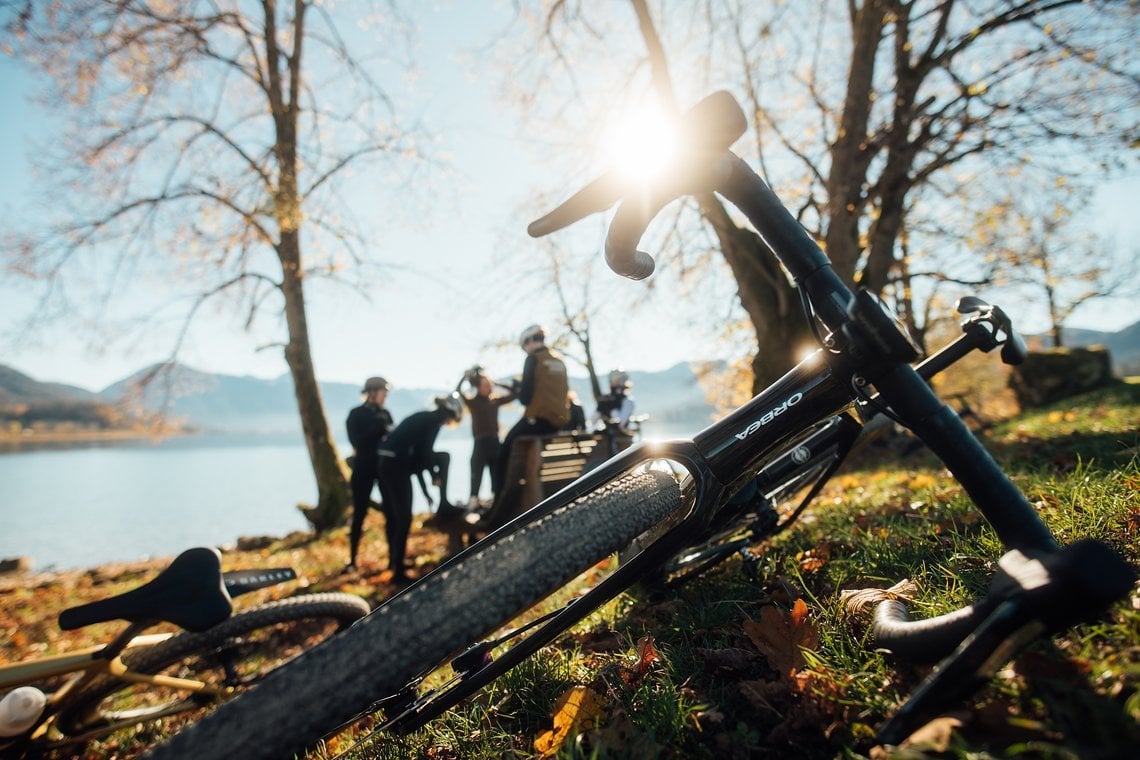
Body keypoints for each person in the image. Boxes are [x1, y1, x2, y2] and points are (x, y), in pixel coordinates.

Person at [372, 394, 464, 584]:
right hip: (395, 466)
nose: (449, 423)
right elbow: (425, 453)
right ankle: (397, 572)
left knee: (398, 516)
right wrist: (435, 476)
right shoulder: (433, 421)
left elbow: (420, 455)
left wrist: (427, 489)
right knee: (403, 517)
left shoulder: (425, 417)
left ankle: (395, 562)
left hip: (391, 463)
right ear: (450, 413)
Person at [491, 324, 570, 498]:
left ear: (528, 342)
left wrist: (518, 388)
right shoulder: (560, 361)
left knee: (503, 452)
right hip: (558, 423)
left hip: (536, 420)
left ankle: (498, 499)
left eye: (523, 346)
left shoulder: (533, 359)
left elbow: (525, 398)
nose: (525, 351)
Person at [345, 376, 394, 574]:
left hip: (383, 470)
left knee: (391, 513)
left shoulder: (386, 414)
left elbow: (393, 439)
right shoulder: (355, 414)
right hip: (363, 469)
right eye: (384, 393)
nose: (386, 397)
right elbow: (355, 441)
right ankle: (352, 561)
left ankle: (394, 559)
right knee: (359, 514)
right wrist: (375, 429)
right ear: (373, 393)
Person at [456, 366, 516, 508]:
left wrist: (497, 384)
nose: (489, 388)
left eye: (490, 385)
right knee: (476, 471)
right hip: (480, 443)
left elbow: (515, 394)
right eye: (485, 385)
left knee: (496, 473)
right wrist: (464, 378)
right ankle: (473, 500)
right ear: (478, 387)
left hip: (494, 442)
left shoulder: (494, 401)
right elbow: (458, 392)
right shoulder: (473, 402)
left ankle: (496, 501)